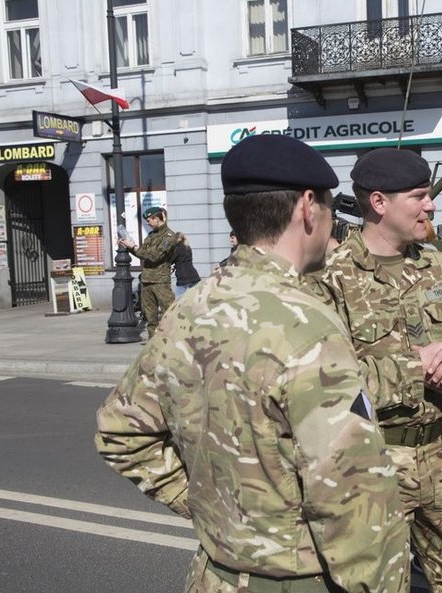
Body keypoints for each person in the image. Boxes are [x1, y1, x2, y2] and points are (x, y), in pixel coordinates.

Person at [95, 134, 410, 593]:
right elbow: (355, 497)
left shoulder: (189, 308)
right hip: (299, 580)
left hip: (214, 577)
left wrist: (216, 505)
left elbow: (120, 432)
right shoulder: (307, 324)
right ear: (307, 207)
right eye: (328, 207)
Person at [312, 148, 442, 593]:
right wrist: (416, 367)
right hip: (370, 466)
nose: (431, 205)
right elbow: (322, 383)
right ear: (379, 203)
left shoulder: (437, 265)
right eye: (419, 196)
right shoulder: (328, 278)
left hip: (441, 459)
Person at [118, 206, 176, 339]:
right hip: (147, 280)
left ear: (157, 219)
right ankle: (153, 345)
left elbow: (154, 256)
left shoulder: (169, 236)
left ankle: (172, 343)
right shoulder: (151, 236)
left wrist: (134, 247)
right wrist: (129, 246)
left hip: (160, 281)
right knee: (151, 318)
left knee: (170, 314)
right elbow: (142, 253)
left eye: (149, 220)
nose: (148, 223)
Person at [170, 232, 201, 298]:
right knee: (196, 298)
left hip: (183, 276)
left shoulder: (177, 248)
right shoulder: (188, 247)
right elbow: (183, 260)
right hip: (193, 275)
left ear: (176, 239)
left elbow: (170, 260)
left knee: (178, 299)